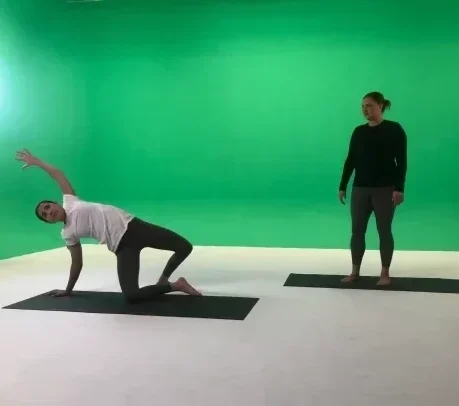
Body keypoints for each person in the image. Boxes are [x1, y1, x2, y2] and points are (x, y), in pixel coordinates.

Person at [16, 149, 201, 303]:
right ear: (48, 221)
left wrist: (37, 162)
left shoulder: (70, 201)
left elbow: (57, 175)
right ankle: (176, 285)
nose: (49, 212)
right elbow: (77, 263)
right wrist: (67, 290)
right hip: (121, 247)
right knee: (131, 296)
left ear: (55, 203)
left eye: (48, 207)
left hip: (134, 228)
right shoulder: (67, 233)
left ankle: (162, 280)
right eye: (45, 215)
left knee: (185, 247)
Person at [338, 92, 407, 286]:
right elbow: (350, 160)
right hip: (360, 188)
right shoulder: (359, 131)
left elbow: (401, 161)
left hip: (385, 189)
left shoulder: (394, 129)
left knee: (384, 230)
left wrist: (399, 189)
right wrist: (343, 186)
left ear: (380, 106)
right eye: (362, 107)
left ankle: (384, 273)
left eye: (368, 105)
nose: (364, 109)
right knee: (357, 231)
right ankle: (355, 271)